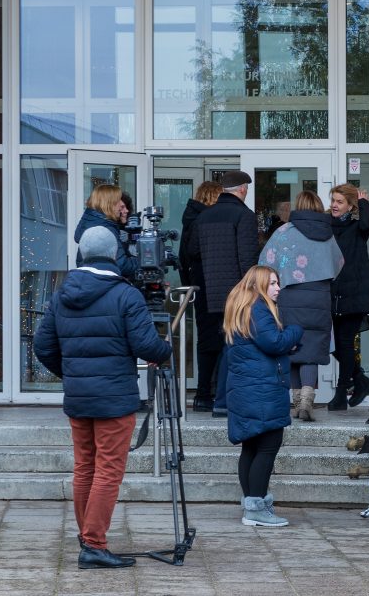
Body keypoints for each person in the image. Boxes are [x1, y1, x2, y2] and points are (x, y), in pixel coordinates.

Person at [33, 226, 173, 569]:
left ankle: (87, 537)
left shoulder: (61, 293)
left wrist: (74, 373)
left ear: (82, 253)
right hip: (114, 397)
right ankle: (94, 544)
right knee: (108, 470)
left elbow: (43, 347)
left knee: (85, 467)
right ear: (114, 256)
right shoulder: (125, 294)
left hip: (79, 396)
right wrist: (165, 350)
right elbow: (145, 345)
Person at [224, 266, 304, 527]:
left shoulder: (242, 305)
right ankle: (256, 508)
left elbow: (268, 344)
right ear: (258, 285)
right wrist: (295, 331)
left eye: (277, 282)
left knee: (252, 447)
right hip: (261, 390)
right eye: (272, 283)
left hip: (247, 389)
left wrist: (285, 341)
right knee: (268, 447)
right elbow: (274, 343)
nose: (278, 288)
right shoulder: (258, 307)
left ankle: (252, 505)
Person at [260, 190, 343, 422]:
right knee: (311, 350)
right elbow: (338, 264)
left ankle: (298, 400)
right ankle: (306, 398)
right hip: (319, 297)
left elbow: (265, 264)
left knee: (292, 345)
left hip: (290, 296)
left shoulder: (284, 232)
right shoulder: (328, 235)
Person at [185, 170, 259, 417]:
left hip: (206, 291)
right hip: (234, 294)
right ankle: (224, 400)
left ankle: (204, 394)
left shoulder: (203, 217)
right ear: (242, 190)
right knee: (233, 344)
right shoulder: (245, 216)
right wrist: (251, 293)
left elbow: (192, 252)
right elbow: (247, 259)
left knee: (207, 343)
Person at [328, 183, 369, 411]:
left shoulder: (357, 226)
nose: (334, 206)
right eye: (333, 201)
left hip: (356, 292)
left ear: (350, 206)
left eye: (340, 202)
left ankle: (341, 393)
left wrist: (364, 202)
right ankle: (360, 380)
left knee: (345, 342)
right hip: (333, 292)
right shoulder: (326, 224)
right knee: (333, 344)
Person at [178, 180, 223, 412]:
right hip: (211, 283)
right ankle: (208, 391)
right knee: (217, 339)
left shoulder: (190, 218)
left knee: (206, 338)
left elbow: (183, 257)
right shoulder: (206, 220)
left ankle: (204, 392)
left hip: (199, 285)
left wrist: (189, 285)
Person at [74, 184, 137, 279]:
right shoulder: (105, 230)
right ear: (108, 203)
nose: (121, 205)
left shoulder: (95, 224)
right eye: (118, 201)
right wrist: (145, 260)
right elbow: (122, 265)